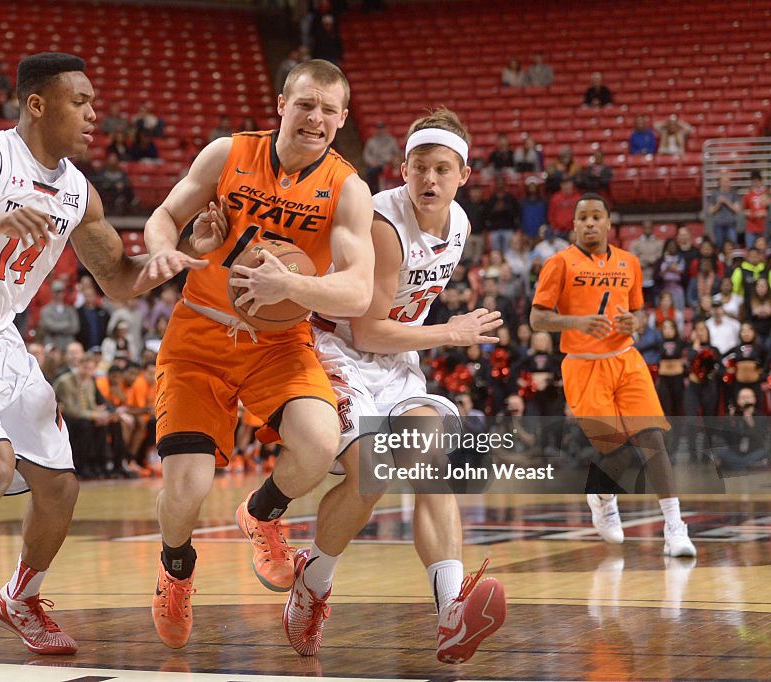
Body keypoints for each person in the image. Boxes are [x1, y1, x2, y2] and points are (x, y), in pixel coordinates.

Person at [0, 52, 210, 656]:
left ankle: (19, 597)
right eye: (80, 102)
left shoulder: (80, 194)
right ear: (38, 104)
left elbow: (115, 276)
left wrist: (165, 263)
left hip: (1, 343)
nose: (93, 115)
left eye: (92, 102)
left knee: (60, 489)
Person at [138, 58, 375, 649]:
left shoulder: (348, 189)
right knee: (187, 490)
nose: (315, 118)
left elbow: (359, 289)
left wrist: (291, 287)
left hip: (279, 341)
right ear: (281, 105)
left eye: (327, 109)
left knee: (320, 445)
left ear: (342, 119)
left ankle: (262, 512)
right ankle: (175, 568)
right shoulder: (227, 154)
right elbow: (164, 216)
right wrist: (171, 252)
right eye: (305, 104)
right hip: (199, 334)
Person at [288, 109, 507, 662]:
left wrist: (430, 336)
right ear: (402, 169)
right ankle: (312, 586)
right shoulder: (385, 225)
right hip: (340, 351)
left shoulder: (459, 225)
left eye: (441, 170)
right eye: (418, 169)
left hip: (397, 358)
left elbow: (398, 327)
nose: (429, 181)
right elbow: (367, 327)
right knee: (371, 477)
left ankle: (452, 612)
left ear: (464, 174)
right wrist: (451, 333)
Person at [530, 193, 696, 558]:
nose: (589, 223)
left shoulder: (630, 262)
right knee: (618, 453)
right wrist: (575, 322)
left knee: (653, 439)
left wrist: (635, 323)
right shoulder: (559, 263)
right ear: (573, 225)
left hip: (625, 358)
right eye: (582, 218)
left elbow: (638, 313)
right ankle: (602, 495)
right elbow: (537, 318)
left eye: (596, 217)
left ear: (608, 222)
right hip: (582, 363)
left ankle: (675, 528)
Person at [708, 172, 741, 248]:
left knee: (733, 245)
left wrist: (727, 202)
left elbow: (737, 210)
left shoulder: (733, 193)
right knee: (719, 245)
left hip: (731, 224)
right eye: (724, 181)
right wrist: (718, 204)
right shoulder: (715, 194)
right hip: (718, 224)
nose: (726, 183)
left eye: (728, 181)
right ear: (720, 183)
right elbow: (710, 211)